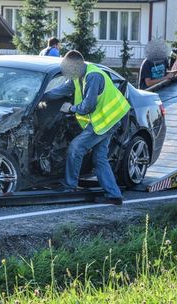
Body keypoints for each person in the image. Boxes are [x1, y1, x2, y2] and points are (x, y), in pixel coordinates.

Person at [43, 50, 131, 205]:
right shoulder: (78, 76)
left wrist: (70, 108)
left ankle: (70, 186)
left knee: (76, 148)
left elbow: (88, 106)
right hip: (107, 120)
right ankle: (114, 195)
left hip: (107, 121)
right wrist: (41, 95)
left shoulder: (93, 76)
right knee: (100, 157)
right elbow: (61, 90)